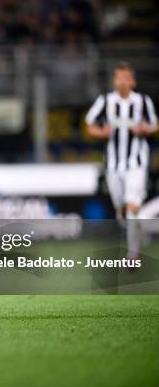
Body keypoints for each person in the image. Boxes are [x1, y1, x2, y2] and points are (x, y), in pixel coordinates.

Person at [85, 62, 157, 260]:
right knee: (123, 212)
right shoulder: (105, 101)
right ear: (114, 81)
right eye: (119, 78)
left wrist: (145, 129)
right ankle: (138, 237)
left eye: (126, 78)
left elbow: (154, 125)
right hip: (114, 166)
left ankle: (133, 255)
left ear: (132, 81)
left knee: (132, 204)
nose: (122, 82)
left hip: (136, 163)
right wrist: (102, 132)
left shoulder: (143, 101)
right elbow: (89, 125)